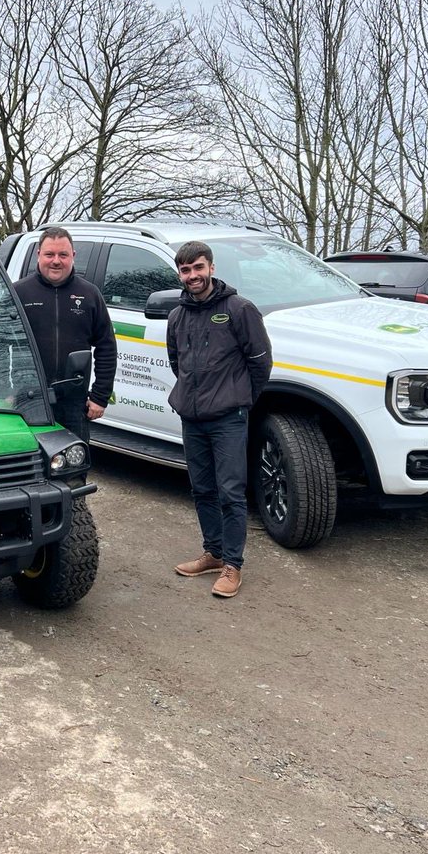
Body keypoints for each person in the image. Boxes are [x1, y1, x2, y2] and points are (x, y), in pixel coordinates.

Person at [168, 240, 272, 599]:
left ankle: (233, 564)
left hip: (228, 418)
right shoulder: (177, 316)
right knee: (202, 489)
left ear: (211, 267)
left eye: (198, 268)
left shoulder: (239, 310)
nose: (192, 276)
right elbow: (176, 361)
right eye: (185, 270)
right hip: (192, 418)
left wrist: (240, 400)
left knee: (230, 492)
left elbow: (261, 364)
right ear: (180, 274)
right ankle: (212, 553)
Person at [11, 226, 117, 443]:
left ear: (73, 256)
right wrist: (4, 390)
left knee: (73, 467)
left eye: (63, 255)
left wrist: (99, 397)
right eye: (49, 254)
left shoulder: (90, 295)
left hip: (74, 402)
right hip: (28, 399)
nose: (56, 261)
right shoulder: (18, 293)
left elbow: (107, 348)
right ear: (38, 254)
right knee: (28, 465)